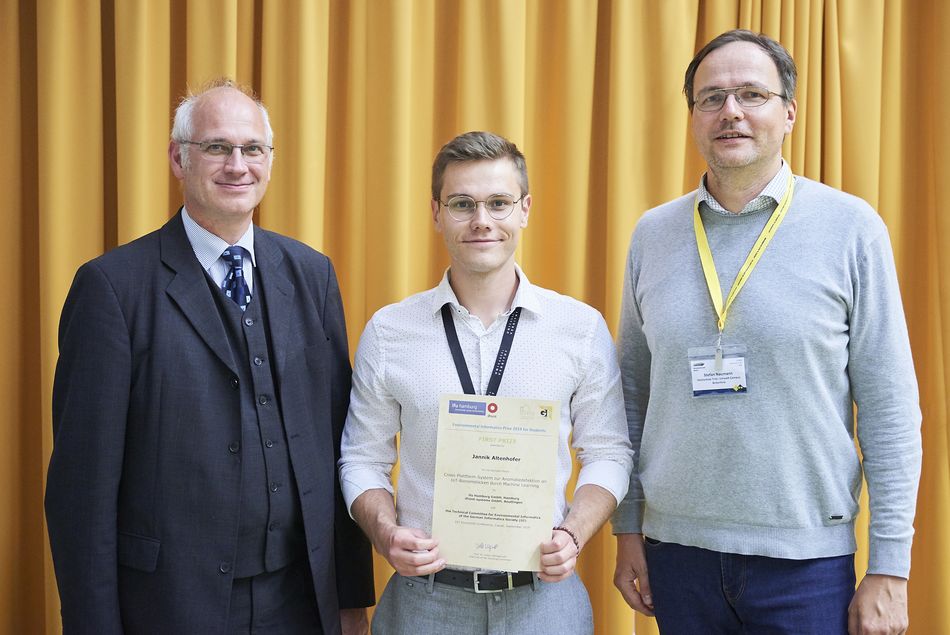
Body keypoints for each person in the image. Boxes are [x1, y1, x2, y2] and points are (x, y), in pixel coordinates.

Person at [611, 30, 922, 634]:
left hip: (805, 562)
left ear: (789, 113)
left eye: (752, 94)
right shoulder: (653, 235)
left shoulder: (852, 228)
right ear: (694, 117)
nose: (731, 111)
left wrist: (891, 566)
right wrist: (628, 528)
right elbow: (629, 397)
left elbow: (890, 409)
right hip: (676, 555)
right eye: (712, 97)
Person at [45, 79, 374, 634]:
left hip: (299, 601)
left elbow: (338, 441)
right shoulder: (112, 288)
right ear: (179, 158)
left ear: (270, 159)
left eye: (253, 149)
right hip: (167, 605)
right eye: (216, 147)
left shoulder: (312, 275)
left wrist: (349, 598)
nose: (237, 165)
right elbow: (82, 491)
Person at [338, 131, 634, 634]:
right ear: (435, 212)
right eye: (462, 204)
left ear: (525, 210)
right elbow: (362, 459)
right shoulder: (389, 332)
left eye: (499, 203)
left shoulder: (579, 329)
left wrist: (575, 533)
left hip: (545, 603)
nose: (481, 221)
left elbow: (609, 452)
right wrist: (386, 535)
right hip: (425, 603)